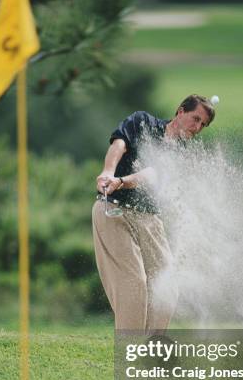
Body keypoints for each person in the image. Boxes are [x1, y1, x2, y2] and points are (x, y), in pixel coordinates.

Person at [92, 94, 215, 331]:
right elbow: (119, 143)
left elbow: (152, 175)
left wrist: (121, 180)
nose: (197, 127)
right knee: (133, 282)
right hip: (113, 210)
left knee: (166, 284)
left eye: (203, 125)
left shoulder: (182, 153)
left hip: (149, 218)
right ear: (180, 111)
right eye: (195, 118)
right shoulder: (142, 121)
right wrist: (108, 172)